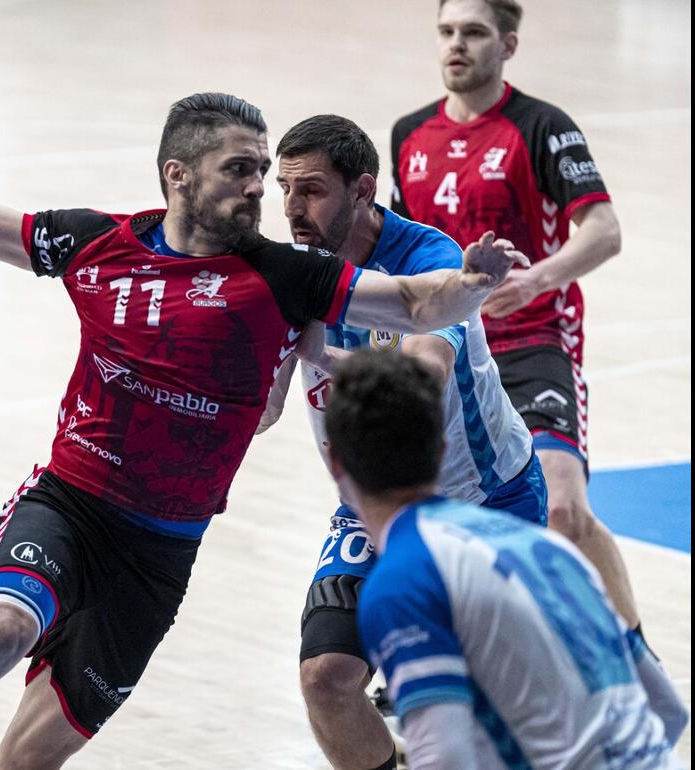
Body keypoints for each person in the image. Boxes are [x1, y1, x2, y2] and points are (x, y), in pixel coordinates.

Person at [0, 54, 524, 770]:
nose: (261, 192)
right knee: (2, 628)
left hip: (161, 554)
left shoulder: (286, 277)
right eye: (242, 170)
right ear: (179, 175)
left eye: (263, 174)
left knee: (25, 760)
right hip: (70, 506)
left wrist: (469, 282)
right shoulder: (98, 244)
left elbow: (417, 305)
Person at [255, 114, 547, 770]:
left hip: (488, 502)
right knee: (325, 677)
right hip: (375, 507)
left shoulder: (430, 260)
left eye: (311, 191)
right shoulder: (294, 274)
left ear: (363, 190)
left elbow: (424, 370)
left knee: (489, 714)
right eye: (284, 190)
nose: (292, 209)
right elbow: (264, 410)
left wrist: (328, 358)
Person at [391, 0, 641, 636]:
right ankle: (453, 650)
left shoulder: (540, 126)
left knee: (561, 505)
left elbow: (604, 231)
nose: (456, 45)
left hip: (533, 341)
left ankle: (633, 651)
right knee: (434, 510)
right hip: (445, 346)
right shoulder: (409, 135)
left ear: (507, 44)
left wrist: (538, 279)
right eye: (447, 32)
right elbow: (393, 246)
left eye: (473, 33)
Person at [323, 348, 688, 769]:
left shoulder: (404, 578)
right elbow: (668, 711)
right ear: (442, 450)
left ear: (336, 463)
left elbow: (446, 758)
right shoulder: (548, 547)